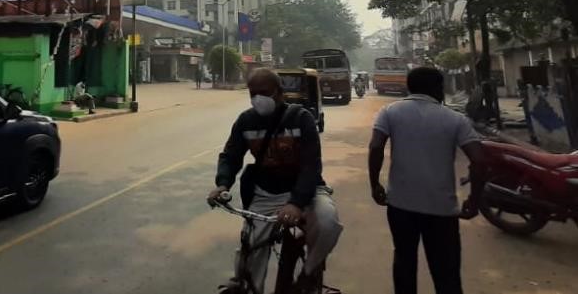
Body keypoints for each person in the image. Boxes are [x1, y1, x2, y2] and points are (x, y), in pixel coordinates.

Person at [207, 68, 343, 293]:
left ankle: (308, 273)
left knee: (328, 224)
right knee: (251, 247)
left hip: (307, 192)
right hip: (265, 193)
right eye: (253, 93)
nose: (257, 98)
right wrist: (222, 184)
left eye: (264, 92)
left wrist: (297, 203)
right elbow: (231, 156)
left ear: (280, 93)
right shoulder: (245, 121)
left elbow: (311, 166)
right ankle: (249, 287)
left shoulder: (302, 119)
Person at [369, 67, 484, 294]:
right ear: (437, 89)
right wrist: (475, 198)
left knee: (404, 261)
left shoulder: (390, 112)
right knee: (446, 272)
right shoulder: (455, 119)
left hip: (401, 205)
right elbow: (479, 160)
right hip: (441, 209)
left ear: (409, 87)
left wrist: (375, 184)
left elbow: (375, 146)